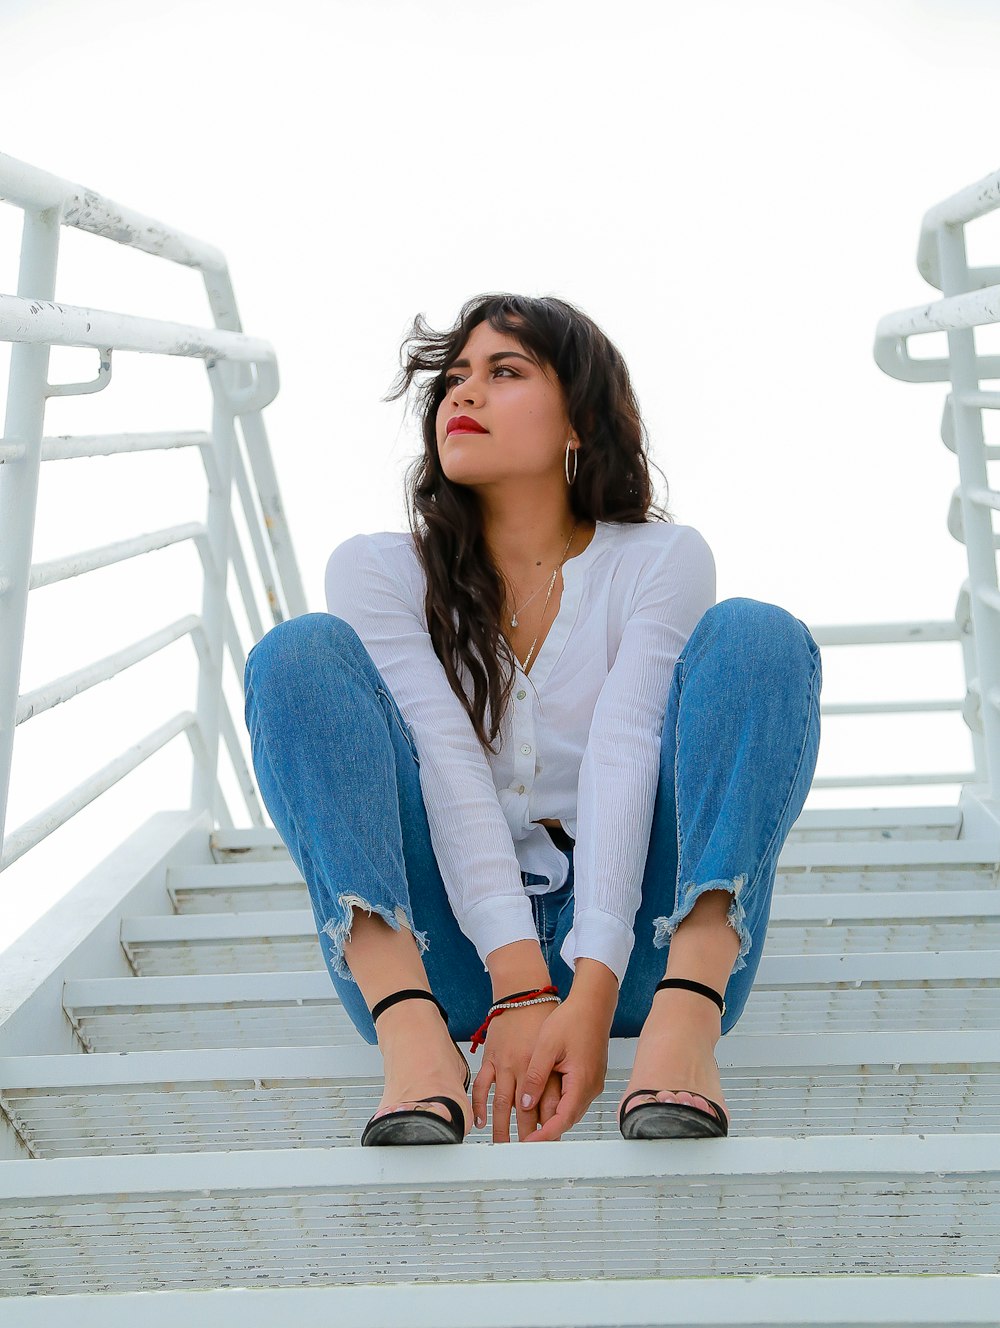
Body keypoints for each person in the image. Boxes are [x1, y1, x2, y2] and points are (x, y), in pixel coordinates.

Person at [243, 293, 822, 1147]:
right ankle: (414, 1046)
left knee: (758, 637)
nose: (462, 395)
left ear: (579, 422)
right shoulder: (378, 571)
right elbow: (443, 760)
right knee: (296, 656)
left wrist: (589, 995)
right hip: (447, 969)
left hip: (642, 954)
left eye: (504, 372)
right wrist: (518, 984)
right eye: (453, 379)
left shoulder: (659, 559)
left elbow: (626, 752)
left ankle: (683, 1032)